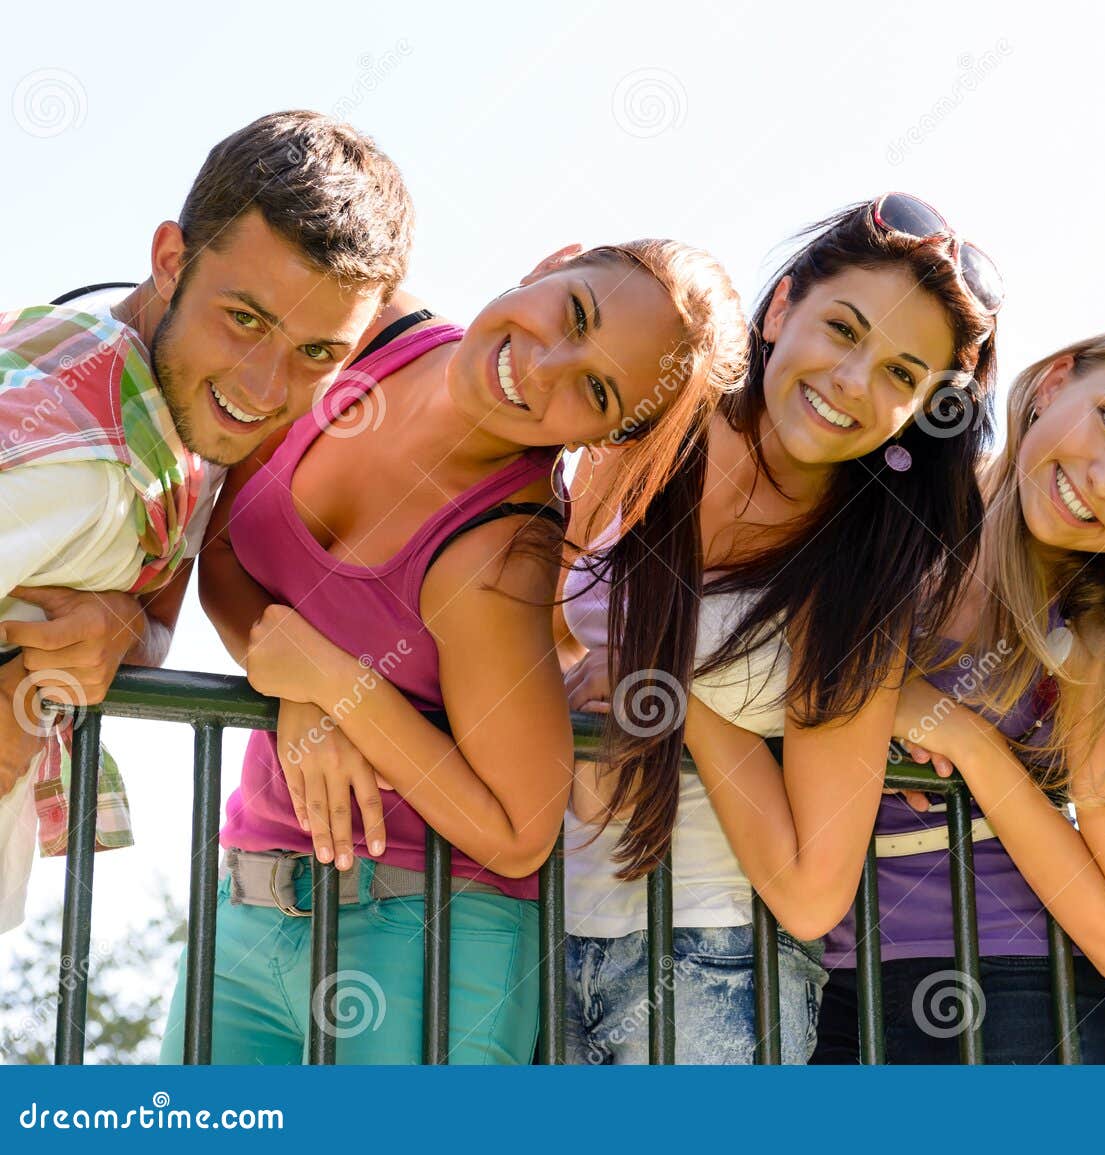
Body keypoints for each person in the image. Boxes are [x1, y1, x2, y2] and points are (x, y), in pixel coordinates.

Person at [163, 237, 747, 1065]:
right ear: (552, 261)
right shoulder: (368, 330)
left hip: (429, 931)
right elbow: (221, 551)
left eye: (595, 388)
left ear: (610, 433)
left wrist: (335, 683)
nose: (544, 368)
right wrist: (298, 690)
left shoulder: (501, 551)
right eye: (574, 313)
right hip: (249, 894)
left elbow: (518, 829)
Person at [557, 194, 1000, 1063]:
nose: (852, 382)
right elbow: (552, 614)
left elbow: (810, 892)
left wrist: (680, 699)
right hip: (540, 916)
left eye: (902, 375)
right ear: (780, 305)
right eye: (845, 330)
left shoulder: (862, 568)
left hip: (712, 968)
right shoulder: (654, 427)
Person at [815, 324, 1105, 1063]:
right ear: (1057, 380)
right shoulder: (889, 510)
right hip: (833, 985)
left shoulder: (1098, 635)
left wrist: (968, 740)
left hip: (1016, 1005)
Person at [0, 110, 413, 933]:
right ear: (169, 261)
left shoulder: (176, 425)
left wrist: (115, 626)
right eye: (246, 319)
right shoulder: (79, 435)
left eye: (318, 353)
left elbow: (154, 627)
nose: (265, 386)